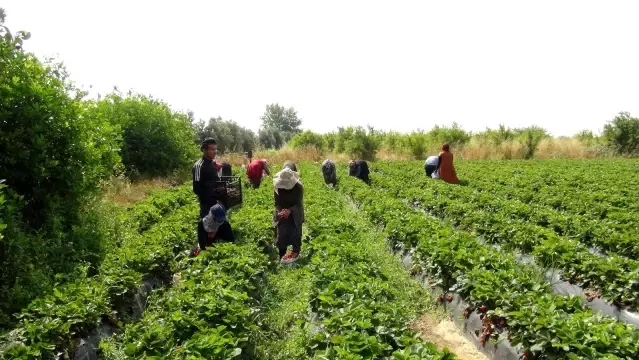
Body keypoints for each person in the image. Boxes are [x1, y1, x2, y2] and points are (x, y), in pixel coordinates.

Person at [192, 138, 225, 255]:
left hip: (215, 201)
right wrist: (208, 196)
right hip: (206, 202)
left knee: (216, 224)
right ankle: (202, 250)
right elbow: (196, 188)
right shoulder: (199, 166)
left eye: (215, 149)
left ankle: (212, 246)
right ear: (204, 150)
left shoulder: (212, 164)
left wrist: (220, 189)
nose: (214, 152)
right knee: (205, 226)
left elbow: (215, 181)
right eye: (211, 149)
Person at [273, 168, 304, 264]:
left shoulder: (299, 187)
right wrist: (280, 211)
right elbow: (277, 203)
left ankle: (295, 252)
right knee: (281, 233)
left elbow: (299, 204)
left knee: (296, 231)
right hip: (282, 212)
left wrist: (290, 211)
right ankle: (282, 254)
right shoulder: (277, 187)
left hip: (295, 212)